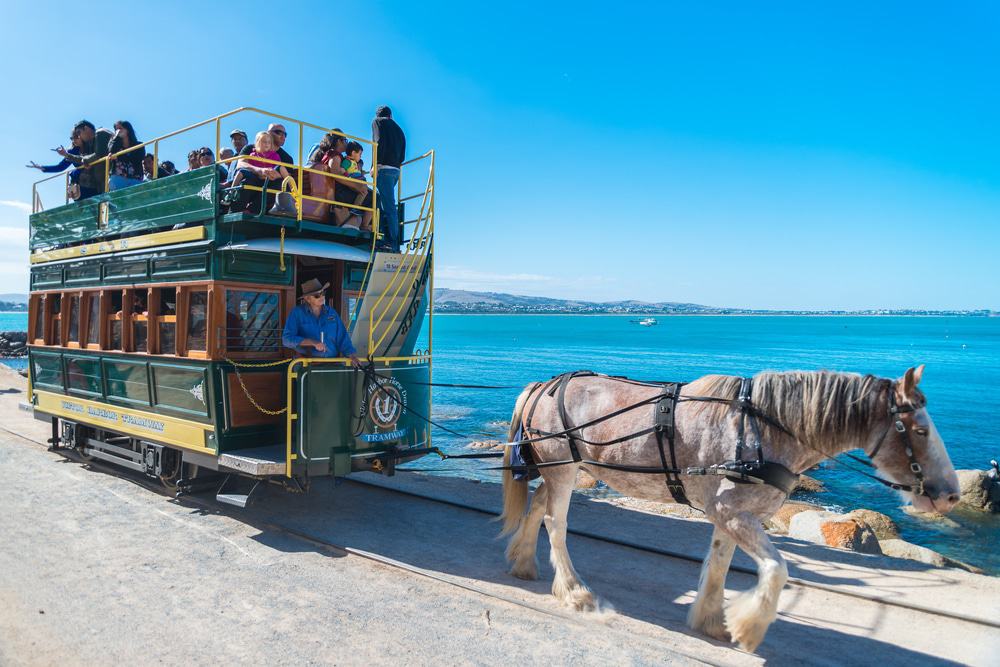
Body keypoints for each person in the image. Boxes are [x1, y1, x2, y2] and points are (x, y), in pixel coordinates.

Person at [282, 278, 359, 364]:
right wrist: (312, 342)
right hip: (307, 365)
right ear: (307, 299)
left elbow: (343, 337)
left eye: (323, 293)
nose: (321, 297)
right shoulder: (297, 313)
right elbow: (287, 339)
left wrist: (351, 355)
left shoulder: (332, 313)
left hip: (333, 363)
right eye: (317, 295)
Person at [372, 105, 406, 251]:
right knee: (385, 203)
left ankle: (391, 241)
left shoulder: (377, 122)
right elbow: (403, 152)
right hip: (396, 170)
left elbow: (377, 142)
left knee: (387, 206)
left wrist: (376, 163)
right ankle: (389, 238)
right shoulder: (399, 129)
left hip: (384, 168)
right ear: (391, 115)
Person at [59, 120, 113, 198]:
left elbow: (99, 154)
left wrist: (85, 160)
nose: (79, 136)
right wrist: (66, 155)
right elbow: (85, 158)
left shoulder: (100, 133)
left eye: (78, 133)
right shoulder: (90, 143)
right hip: (102, 182)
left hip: (111, 177)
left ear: (86, 128)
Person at [27, 129, 85, 197]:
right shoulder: (72, 151)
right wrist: (42, 167)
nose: (74, 140)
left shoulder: (92, 145)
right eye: (72, 138)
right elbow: (60, 167)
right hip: (81, 182)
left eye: (76, 137)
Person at [108, 120, 146, 190]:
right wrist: (117, 137)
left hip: (135, 178)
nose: (118, 131)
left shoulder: (139, 145)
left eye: (120, 128)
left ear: (128, 130)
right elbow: (111, 151)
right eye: (116, 129)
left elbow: (138, 158)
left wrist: (119, 156)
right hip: (118, 177)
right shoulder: (113, 142)